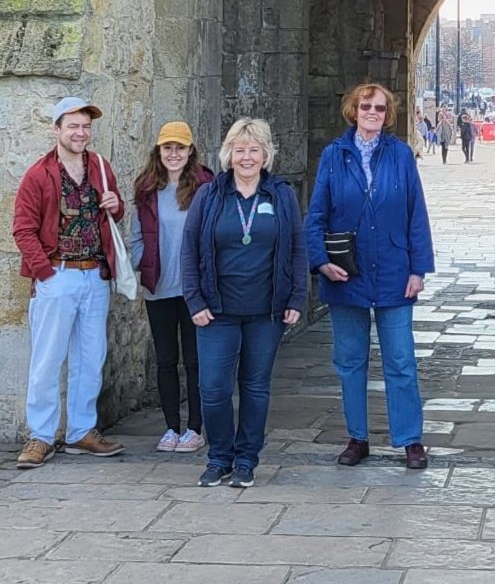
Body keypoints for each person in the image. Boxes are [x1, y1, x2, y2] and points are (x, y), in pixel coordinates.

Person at [305, 82, 434, 470]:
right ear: (353, 111)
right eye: (366, 107)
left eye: (379, 108)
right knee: (349, 361)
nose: (372, 113)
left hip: (393, 270)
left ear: (388, 113)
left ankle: (410, 439)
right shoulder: (334, 155)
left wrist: (418, 268)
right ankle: (357, 437)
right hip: (347, 273)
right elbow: (316, 215)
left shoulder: (400, 154)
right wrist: (320, 261)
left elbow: (416, 212)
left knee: (401, 360)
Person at [182, 118, 307, 488]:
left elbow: (298, 248)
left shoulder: (281, 195)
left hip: (266, 312)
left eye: (254, 150)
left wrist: (297, 297)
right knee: (213, 388)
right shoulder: (209, 196)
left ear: (265, 155)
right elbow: (189, 250)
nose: (247, 157)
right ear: (229, 154)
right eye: (240, 150)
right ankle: (219, 457)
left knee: (255, 387)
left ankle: (246, 460)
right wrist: (194, 300)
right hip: (216, 310)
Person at [13, 97, 125, 468]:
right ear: (57, 129)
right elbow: (23, 229)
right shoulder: (39, 174)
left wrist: (116, 205)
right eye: (73, 126)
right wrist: (44, 273)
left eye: (85, 126)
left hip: (95, 275)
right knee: (47, 360)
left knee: (90, 358)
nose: (80, 133)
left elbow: (113, 215)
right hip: (57, 274)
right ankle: (41, 436)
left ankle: (80, 431)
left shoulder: (101, 167)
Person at [130, 121, 212, 453]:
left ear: (191, 151)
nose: (174, 154)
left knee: (195, 360)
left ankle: (195, 427)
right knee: (165, 359)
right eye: (168, 148)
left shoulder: (206, 187)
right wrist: (143, 260)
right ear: (159, 151)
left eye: (180, 147)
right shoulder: (147, 188)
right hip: (159, 286)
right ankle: (170, 427)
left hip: (195, 289)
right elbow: (136, 235)